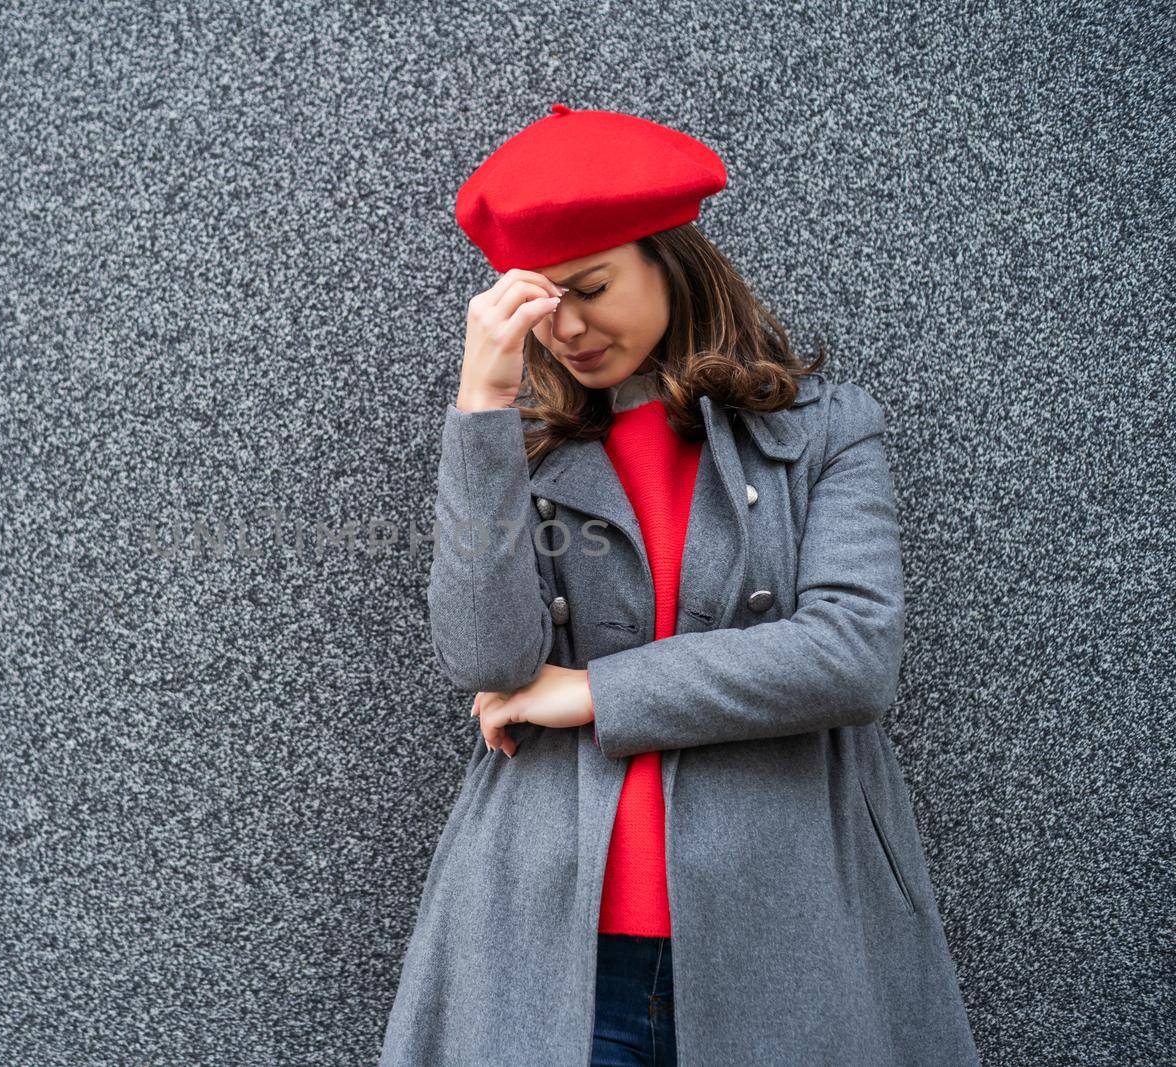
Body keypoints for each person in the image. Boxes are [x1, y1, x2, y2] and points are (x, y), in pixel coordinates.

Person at [379, 103, 981, 1066]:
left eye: (593, 285)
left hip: (782, 931)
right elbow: (485, 657)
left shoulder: (825, 432)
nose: (567, 328)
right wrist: (482, 407)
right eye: (541, 303)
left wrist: (594, 691)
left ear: (672, 260)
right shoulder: (526, 455)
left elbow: (854, 657)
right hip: (552, 943)